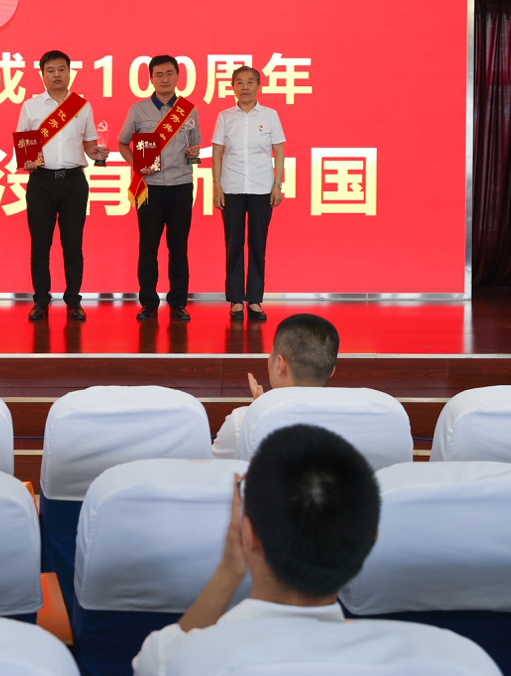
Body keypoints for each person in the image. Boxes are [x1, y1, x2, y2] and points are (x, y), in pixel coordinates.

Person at [132, 423, 380, 676]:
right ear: (373, 538)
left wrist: (228, 571)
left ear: (247, 535)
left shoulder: (174, 662)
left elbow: (163, 658)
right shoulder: (401, 658)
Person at [16, 50, 108, 322]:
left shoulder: (82, 106)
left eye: (61, 69)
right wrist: (27, 161)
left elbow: (89, 144)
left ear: (70, 72)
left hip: (73, 183)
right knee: (40, 246)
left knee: (73, 245)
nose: (57, 74)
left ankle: (73, 301)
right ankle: (40, 301)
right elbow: (24, 145)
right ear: (42, 75)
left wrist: (97, 152)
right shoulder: (31, 106)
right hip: (41, 182)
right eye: (51, 70)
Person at [118, 55, 201, 323]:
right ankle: (148, 303)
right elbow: (122, 143)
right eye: (159, 75)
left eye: (169, 74)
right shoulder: (138, 110)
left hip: (181, 186)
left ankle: (178, 303)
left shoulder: (188, 110)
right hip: (149, 188)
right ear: (151, 79)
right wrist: (137, 164)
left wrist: (194, 153)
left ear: (178, 76)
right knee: (148, 247)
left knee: (179, 248)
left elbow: (194, 148)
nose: (165, 79)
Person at [211, 65, 284, 322]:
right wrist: (216, 185)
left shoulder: (271, 115)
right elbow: (217, 153)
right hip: (231, 187)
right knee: (233, 244)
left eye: (250, 82)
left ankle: (254, 299)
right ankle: (235, 299)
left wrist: (278, 184)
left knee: (257, 244)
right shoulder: (224, 117)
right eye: (239, 82)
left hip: (262, 188)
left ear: (258, 86)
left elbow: (279, 152)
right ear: (232, 87)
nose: (245, 87)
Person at [212, 313, 338, 458]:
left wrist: (261, 410)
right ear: (332, 370)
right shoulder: (353, 419)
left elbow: (212, 468)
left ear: (280, 364)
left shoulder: (241, 422)